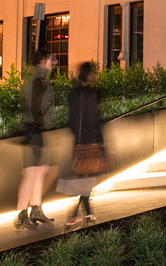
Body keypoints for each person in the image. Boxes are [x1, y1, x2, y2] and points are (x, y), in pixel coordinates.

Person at [59, 60, 110, 230]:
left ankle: (83, 215)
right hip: (90, 141)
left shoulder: (72, 95)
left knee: (84, 181)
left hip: (77, 143)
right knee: (86, 182)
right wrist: (101, 140)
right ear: (89, 75)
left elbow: (71, 120)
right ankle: (76, 216)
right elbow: (93, 119)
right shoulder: (90, 95)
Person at [15, 54, 59, 229]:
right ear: (42, 61)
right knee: (32, 171)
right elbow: (35, 107)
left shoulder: (40, 80)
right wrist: (41, 129)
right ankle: (22, 213)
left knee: (41, 170)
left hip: (38, 130)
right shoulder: (37, 80)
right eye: (51, 59)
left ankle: (36, 208)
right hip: (35, 130)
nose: (55, 62)